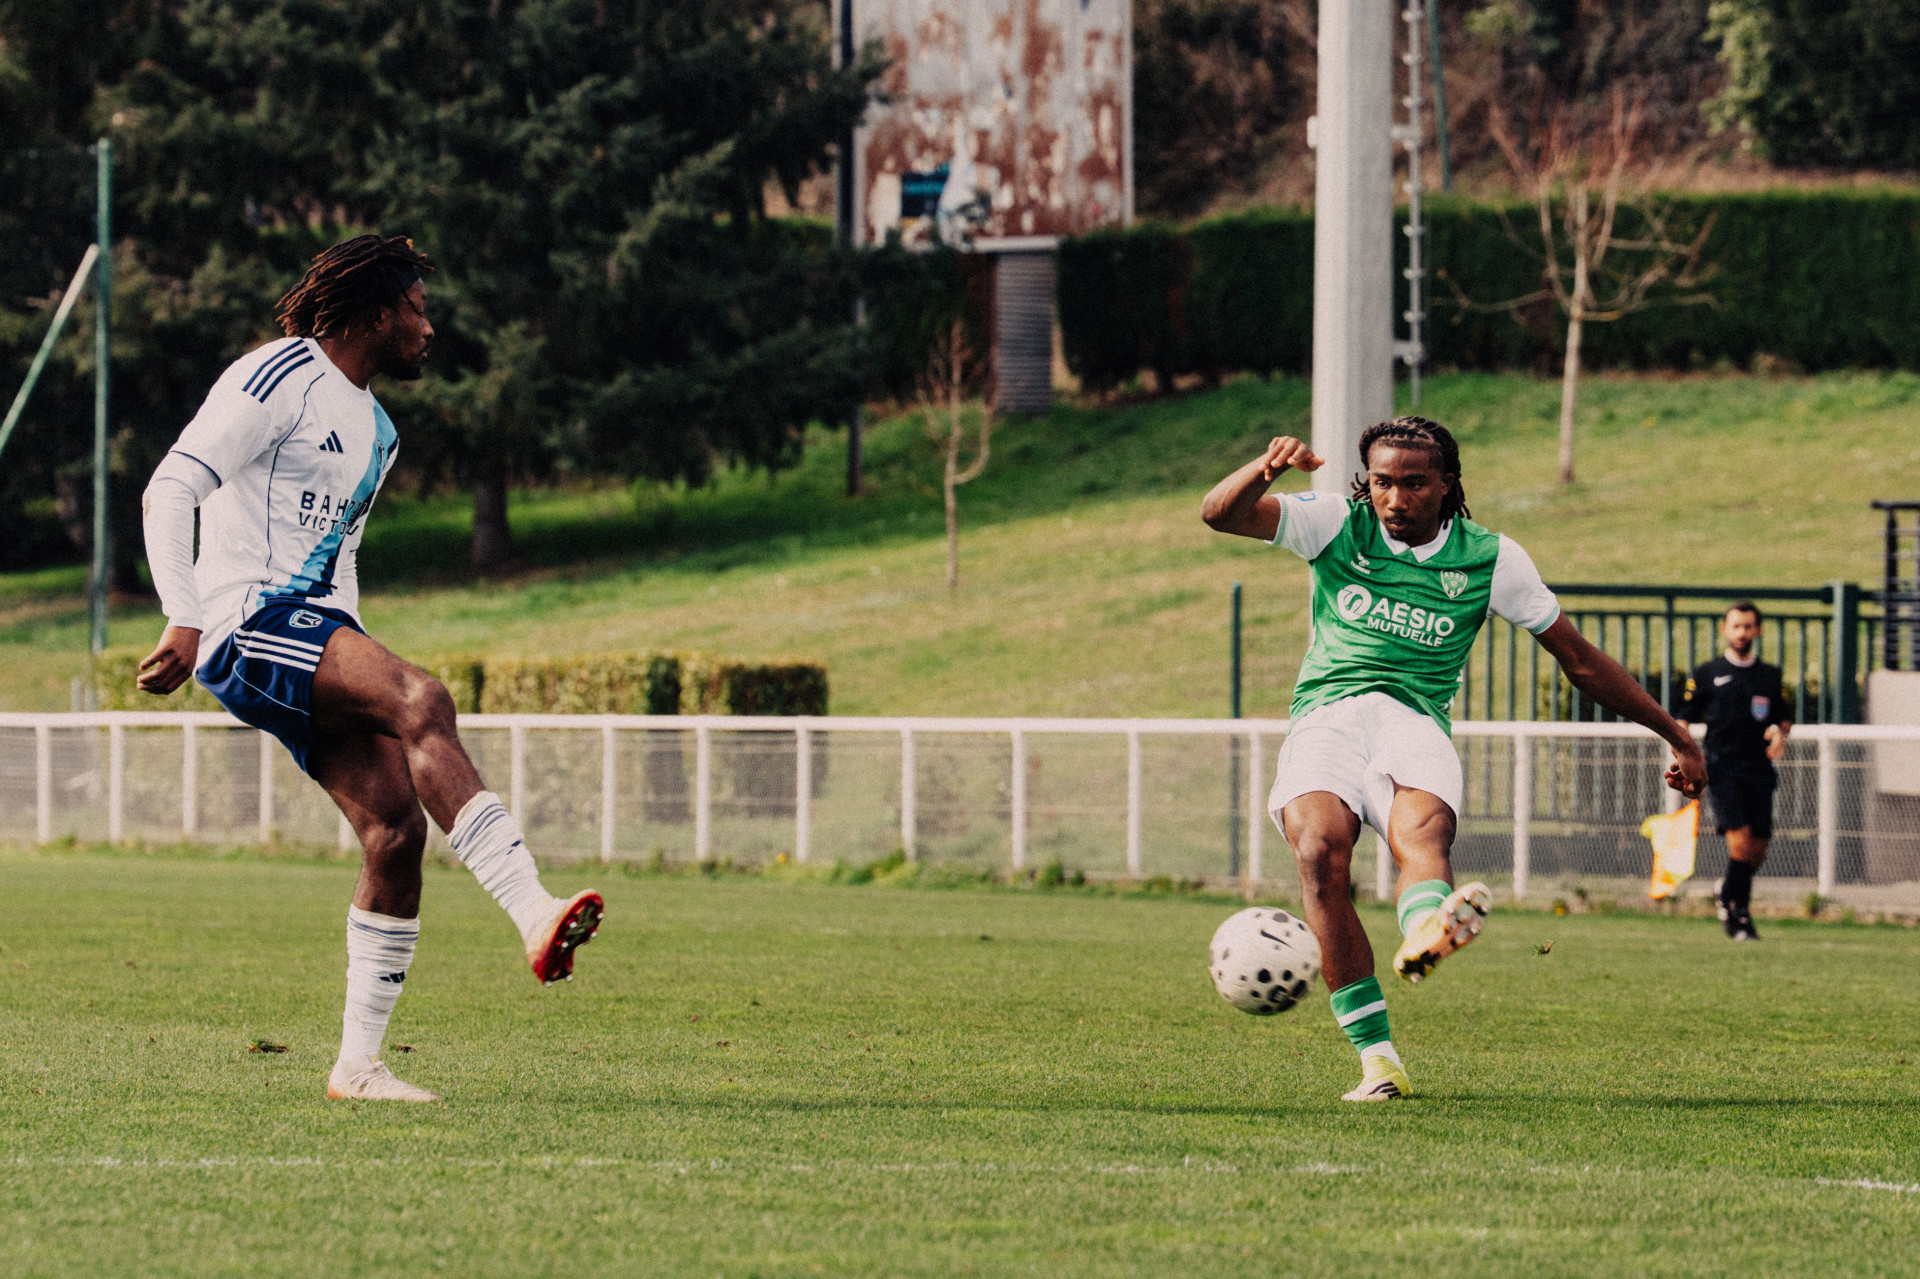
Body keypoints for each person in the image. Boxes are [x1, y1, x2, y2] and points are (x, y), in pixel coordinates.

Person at [136, 234, 603, 1103]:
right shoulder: (276, 374)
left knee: (395, 830)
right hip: (247, 620)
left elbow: (337, 569)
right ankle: (534, 910)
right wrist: (185, 614)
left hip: (311, 629)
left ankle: (358, 1065)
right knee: (423, 696)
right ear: (379, 310)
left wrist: (354, 659)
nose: (430, 328)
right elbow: (171, 485)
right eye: (419, 309)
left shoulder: (378, 432)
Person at [1202, 417, 1707, 1101]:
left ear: (1446, 485)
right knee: (1320, 851)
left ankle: (1427, 932)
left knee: (1423, 833)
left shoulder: (1491, 558)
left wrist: (1672, 732)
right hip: (1330, 718)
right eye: (1383, 481)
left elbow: (1580, 661)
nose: (1395, 498)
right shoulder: (1334, 524)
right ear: (1367, 481)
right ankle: (1378, 1061)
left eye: (1414, 483)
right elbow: (1220, 515)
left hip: (1414, 720)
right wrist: (1265, 468)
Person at [1678, 603, 1791, 941]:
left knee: (1757, 851)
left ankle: (1727, 889)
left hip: (1759, 769)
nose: (1742, 633)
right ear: (1725, 630)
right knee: (1739, 843)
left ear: (1758, 631)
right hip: (1722, 768)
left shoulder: (1770, 676)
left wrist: (1780, 732)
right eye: (1736, 626)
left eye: (1748, 627)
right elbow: (1683, 715)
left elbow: (1783, 717)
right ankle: (1738, 912)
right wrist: (1685, 752)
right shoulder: (1707, 672)